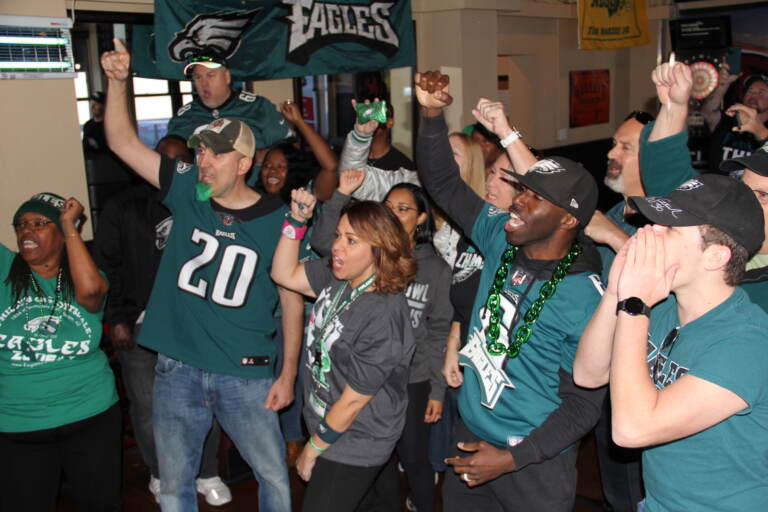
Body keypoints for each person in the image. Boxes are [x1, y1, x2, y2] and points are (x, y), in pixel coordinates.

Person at [101, 39, 300, 511]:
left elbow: (292, 299)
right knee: (173, 483)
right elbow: (122, 142)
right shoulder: (188, 188)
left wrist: (288, 373)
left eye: (217, 155)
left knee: (272, 476)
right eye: (202, 152)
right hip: (178, 368)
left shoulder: (280, 219)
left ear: (245, 164)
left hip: (245, 371)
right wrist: (116, 81)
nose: (204, 162)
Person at [415, 70, 605, 511]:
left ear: (568, 220)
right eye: (522, 189)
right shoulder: (501, 235)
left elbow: (583, 406)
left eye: (534, 197)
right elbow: (443, 184)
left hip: (533, 462)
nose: (517, 201)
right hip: (471, 438)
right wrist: (430, 113)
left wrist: (512, 458)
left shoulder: (586, 298)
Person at [574, 172, 768, 510]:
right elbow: (589, 373)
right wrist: (618, 291)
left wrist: (635, 304)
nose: (648, 232)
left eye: (669, 228)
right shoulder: (663, 307)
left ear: (715, 257)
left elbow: (632, 430)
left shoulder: (748, 344)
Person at [93, 135, 232, 506]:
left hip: (195, 321)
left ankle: (206, 471)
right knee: (148, 404)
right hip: (140, 322)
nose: (175, 168)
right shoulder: (123, 205)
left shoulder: (205, 201)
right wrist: (117, 317)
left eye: (182, 161)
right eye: (166, 160)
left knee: (204, 399)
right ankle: (161, 472)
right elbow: (108, 265)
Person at [311, 172, 453, 512]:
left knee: (414, 456)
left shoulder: (435, 269)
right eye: (388, 206)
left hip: (414, 377)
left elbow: (439, 333)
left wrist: (436, 390)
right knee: (379, 459)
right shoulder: (362, 257)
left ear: (421, 218)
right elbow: (321, 244)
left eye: (403, 208)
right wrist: (340, 194)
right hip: (365, 376)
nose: (393, 213)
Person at [271, 190, 416, 512]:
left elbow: (353, 401)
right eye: (339, 236)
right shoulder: (339, 275)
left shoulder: (383, 313)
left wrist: (313, 448)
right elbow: (283, 274)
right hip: (330, 424)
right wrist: (295, 222)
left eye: (352, 241)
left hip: (355, 437)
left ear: (380, 248)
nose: (337, 246)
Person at [0, 193, 117, 511]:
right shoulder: (4, 269)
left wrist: (70, 227)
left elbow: (92, 295)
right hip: (19, 423)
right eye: (21, 224)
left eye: (39, 223)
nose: (27, 231)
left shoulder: (83, 274)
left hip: (90, 414)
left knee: (99, 504)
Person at [166, 53, 292, 167]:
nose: (204, 83)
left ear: (227, 77)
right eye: (198, 77)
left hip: (253, 188)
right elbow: (169, 157)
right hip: (202, 189)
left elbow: (291, 148)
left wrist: (259, 156)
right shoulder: (184, 117)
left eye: (210, 75)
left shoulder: (258, 107)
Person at [701, 65, 768, 171]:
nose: (753, 95)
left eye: (761, 92)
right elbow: (708, 112)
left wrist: (760, 132)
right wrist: (723, 85)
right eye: (750, 91)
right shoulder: (728, 121)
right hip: (718, 186)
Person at [366, 102, 416, 171]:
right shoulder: (353, 160)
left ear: (389, 123)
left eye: (375, 119)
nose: (368, 125)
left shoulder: (403, 169)